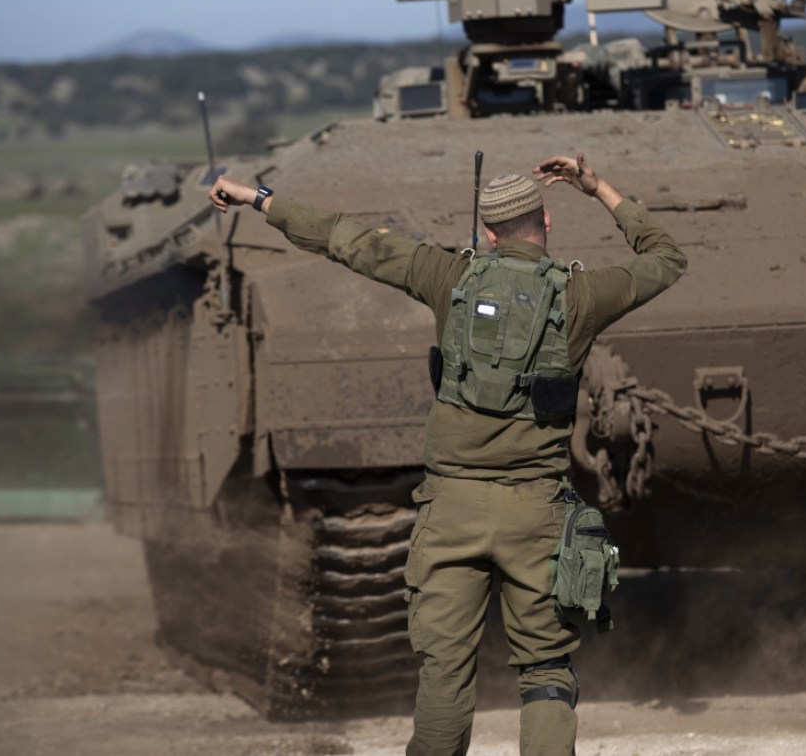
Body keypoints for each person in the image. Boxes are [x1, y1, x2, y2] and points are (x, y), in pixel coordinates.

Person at [209, 153, 685, 755]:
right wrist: (597, 188)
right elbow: (667, 258)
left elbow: (343, 238)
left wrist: (259, 199)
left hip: (449, 513)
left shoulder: (447, 277)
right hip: (535, 513)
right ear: (545, 224)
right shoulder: (584, 294)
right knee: (545, 674)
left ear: (487, 233)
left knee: (444, 672)